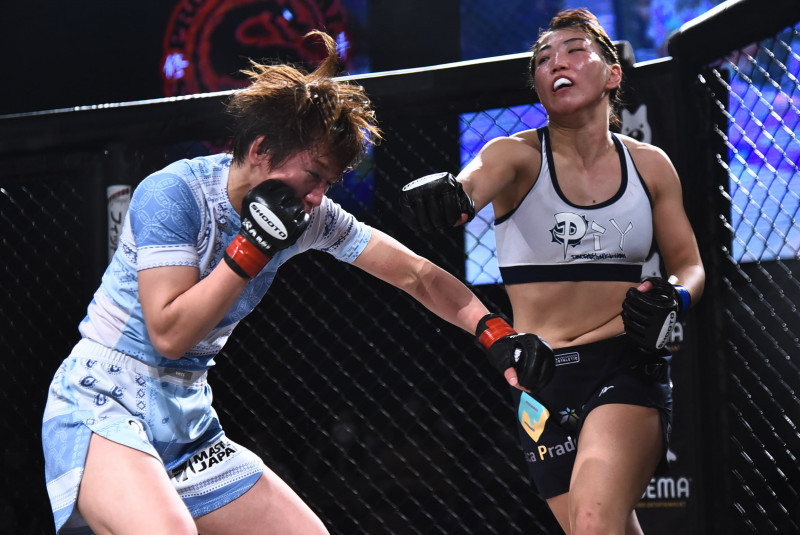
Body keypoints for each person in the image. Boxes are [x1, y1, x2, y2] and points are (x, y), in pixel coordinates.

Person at [41, 31, 554, 535]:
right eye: (313, 176)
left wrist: (493, 331)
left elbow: (416, 274)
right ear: (261, 149)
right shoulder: (174, 195)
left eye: (328, 183)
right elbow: (168, 334)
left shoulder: (308, 217)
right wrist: (250, 249)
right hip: (103, 400)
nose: (317, 198)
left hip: (186, 418)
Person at [399, 8, 705, 535]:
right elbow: (467, 187)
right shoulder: (514, 157)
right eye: (543, 59)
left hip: (625, 366)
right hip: (540, 380)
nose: (556, 62)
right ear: (538, 86)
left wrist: (675, 297)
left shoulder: (650, 165)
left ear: (612, 74)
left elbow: (691, 265)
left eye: (574, 50)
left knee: (592, 521)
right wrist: (448, 196)